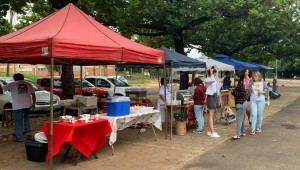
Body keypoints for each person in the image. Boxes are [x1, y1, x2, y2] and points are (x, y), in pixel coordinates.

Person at [0, 73, 36, 142]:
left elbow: (1, 89)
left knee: (18, 121)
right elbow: (33, 94)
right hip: (27, 105)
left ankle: (19, 138)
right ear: (22, 77)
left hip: (18, 106)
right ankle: (27, 131)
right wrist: (33, 104)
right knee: (26, 118)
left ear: (14, 78)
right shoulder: (28, 84)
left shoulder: (12, 84)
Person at [204, 67, 222, 138]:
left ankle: (209, 131)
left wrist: (220, 82)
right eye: (214, 72)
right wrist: (211, 73)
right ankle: (212, 132)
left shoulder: (213, 78)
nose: (215, 73)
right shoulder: (207, 79)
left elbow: (217, 89)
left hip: (214, 96)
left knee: (212, 114)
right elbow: (211, 81)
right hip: (211, 96)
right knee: (211, 115)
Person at [231, 72, 247, 139]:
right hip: (242, 103)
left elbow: (242, 93)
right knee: (242, 118)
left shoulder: (240, 84)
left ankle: (238, 134)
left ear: (239, 77)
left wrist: (233, 92)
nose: (235, 77)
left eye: (236, 76)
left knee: (239, 119)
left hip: (240, 103)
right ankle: (243, 131)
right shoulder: (240, 84)